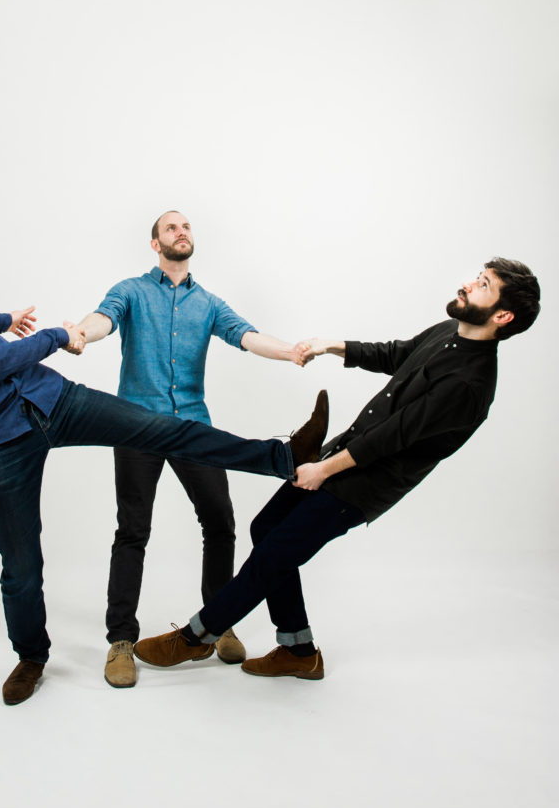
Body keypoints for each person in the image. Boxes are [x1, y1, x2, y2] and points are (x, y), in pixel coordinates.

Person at [0, 238, 321, 706]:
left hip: (53, 398)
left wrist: (2, 319)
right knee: (20, 565)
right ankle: (32, 657)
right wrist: (56, 335)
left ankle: (281, 457)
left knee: (165, 429)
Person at [134, 258, 541, 682]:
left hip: (363, 483)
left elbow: (393, 437)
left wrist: (324, 470)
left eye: (482, 285)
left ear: (502, 316)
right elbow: (397, 354)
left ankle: (197, 636)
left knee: (275, 551)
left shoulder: (470, 383)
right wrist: (332, 346)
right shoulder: (449, 332)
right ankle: (298, 650)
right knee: (265, 529)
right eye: (476, 278)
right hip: (343, 455)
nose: (468, 285)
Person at [75, 209, 311, 688]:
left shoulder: (207, 303)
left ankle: (216, 625)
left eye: (185, 227)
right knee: (133, 530)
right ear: (155, 244)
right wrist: (81, 332)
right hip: (136, 425)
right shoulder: (131, 291)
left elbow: (246, 335)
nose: (180, 232)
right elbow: (104, 318)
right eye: (170, 227)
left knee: (220, 523)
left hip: (193, 427)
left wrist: (289, 351)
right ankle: (120, 641)